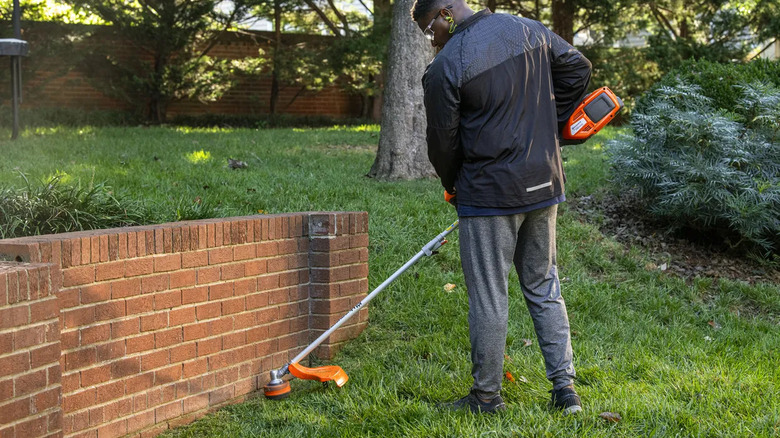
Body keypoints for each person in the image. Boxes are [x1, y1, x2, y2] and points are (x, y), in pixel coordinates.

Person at [410, 0, 592, 415]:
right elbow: (578, 68)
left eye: (428, 29)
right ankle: (566, 391)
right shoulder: (528, 28)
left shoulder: (446, 66)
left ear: (445, 15)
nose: (430, 39)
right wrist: (552, 125)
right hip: (544, 182)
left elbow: (442, 143)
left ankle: (486, 397)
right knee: (544, 283)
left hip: (488, 193)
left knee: (490, 295)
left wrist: (452, 183)